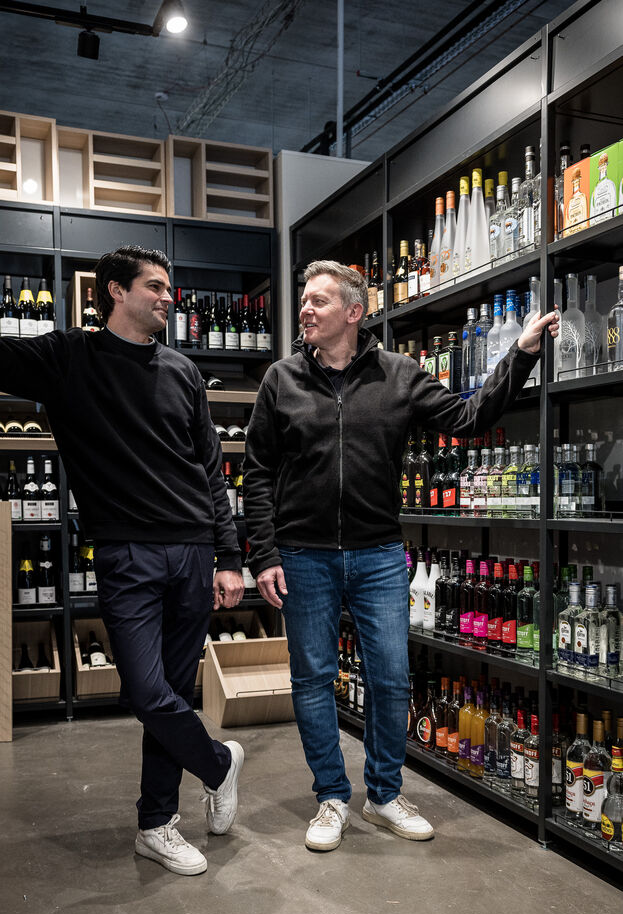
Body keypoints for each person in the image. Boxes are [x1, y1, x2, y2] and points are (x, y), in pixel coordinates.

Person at [242, 259, 559, 852]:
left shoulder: (399, 374)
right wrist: (263, 554)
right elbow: (256, 472)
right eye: (304, 300)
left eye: (317, 301)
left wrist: (521, 355)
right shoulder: (281, 379)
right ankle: (331, 797)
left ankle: (384, 795)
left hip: (379, 555)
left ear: (354, 312)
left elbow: (469, 418)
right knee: (312, 679)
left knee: (390, 677)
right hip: (303, 555)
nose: (304, 309)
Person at [0, 245, 245, 876]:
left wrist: (228, 555)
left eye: (169, 287)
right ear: (115, 290)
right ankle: (218, 763)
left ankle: (156, 824)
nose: (168, 298)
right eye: (155, 286)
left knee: (174, 689)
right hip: (125, 552)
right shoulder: (68, 357)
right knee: (144, 689)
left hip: (192, 549)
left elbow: (211, 472)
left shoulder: (183, 370)